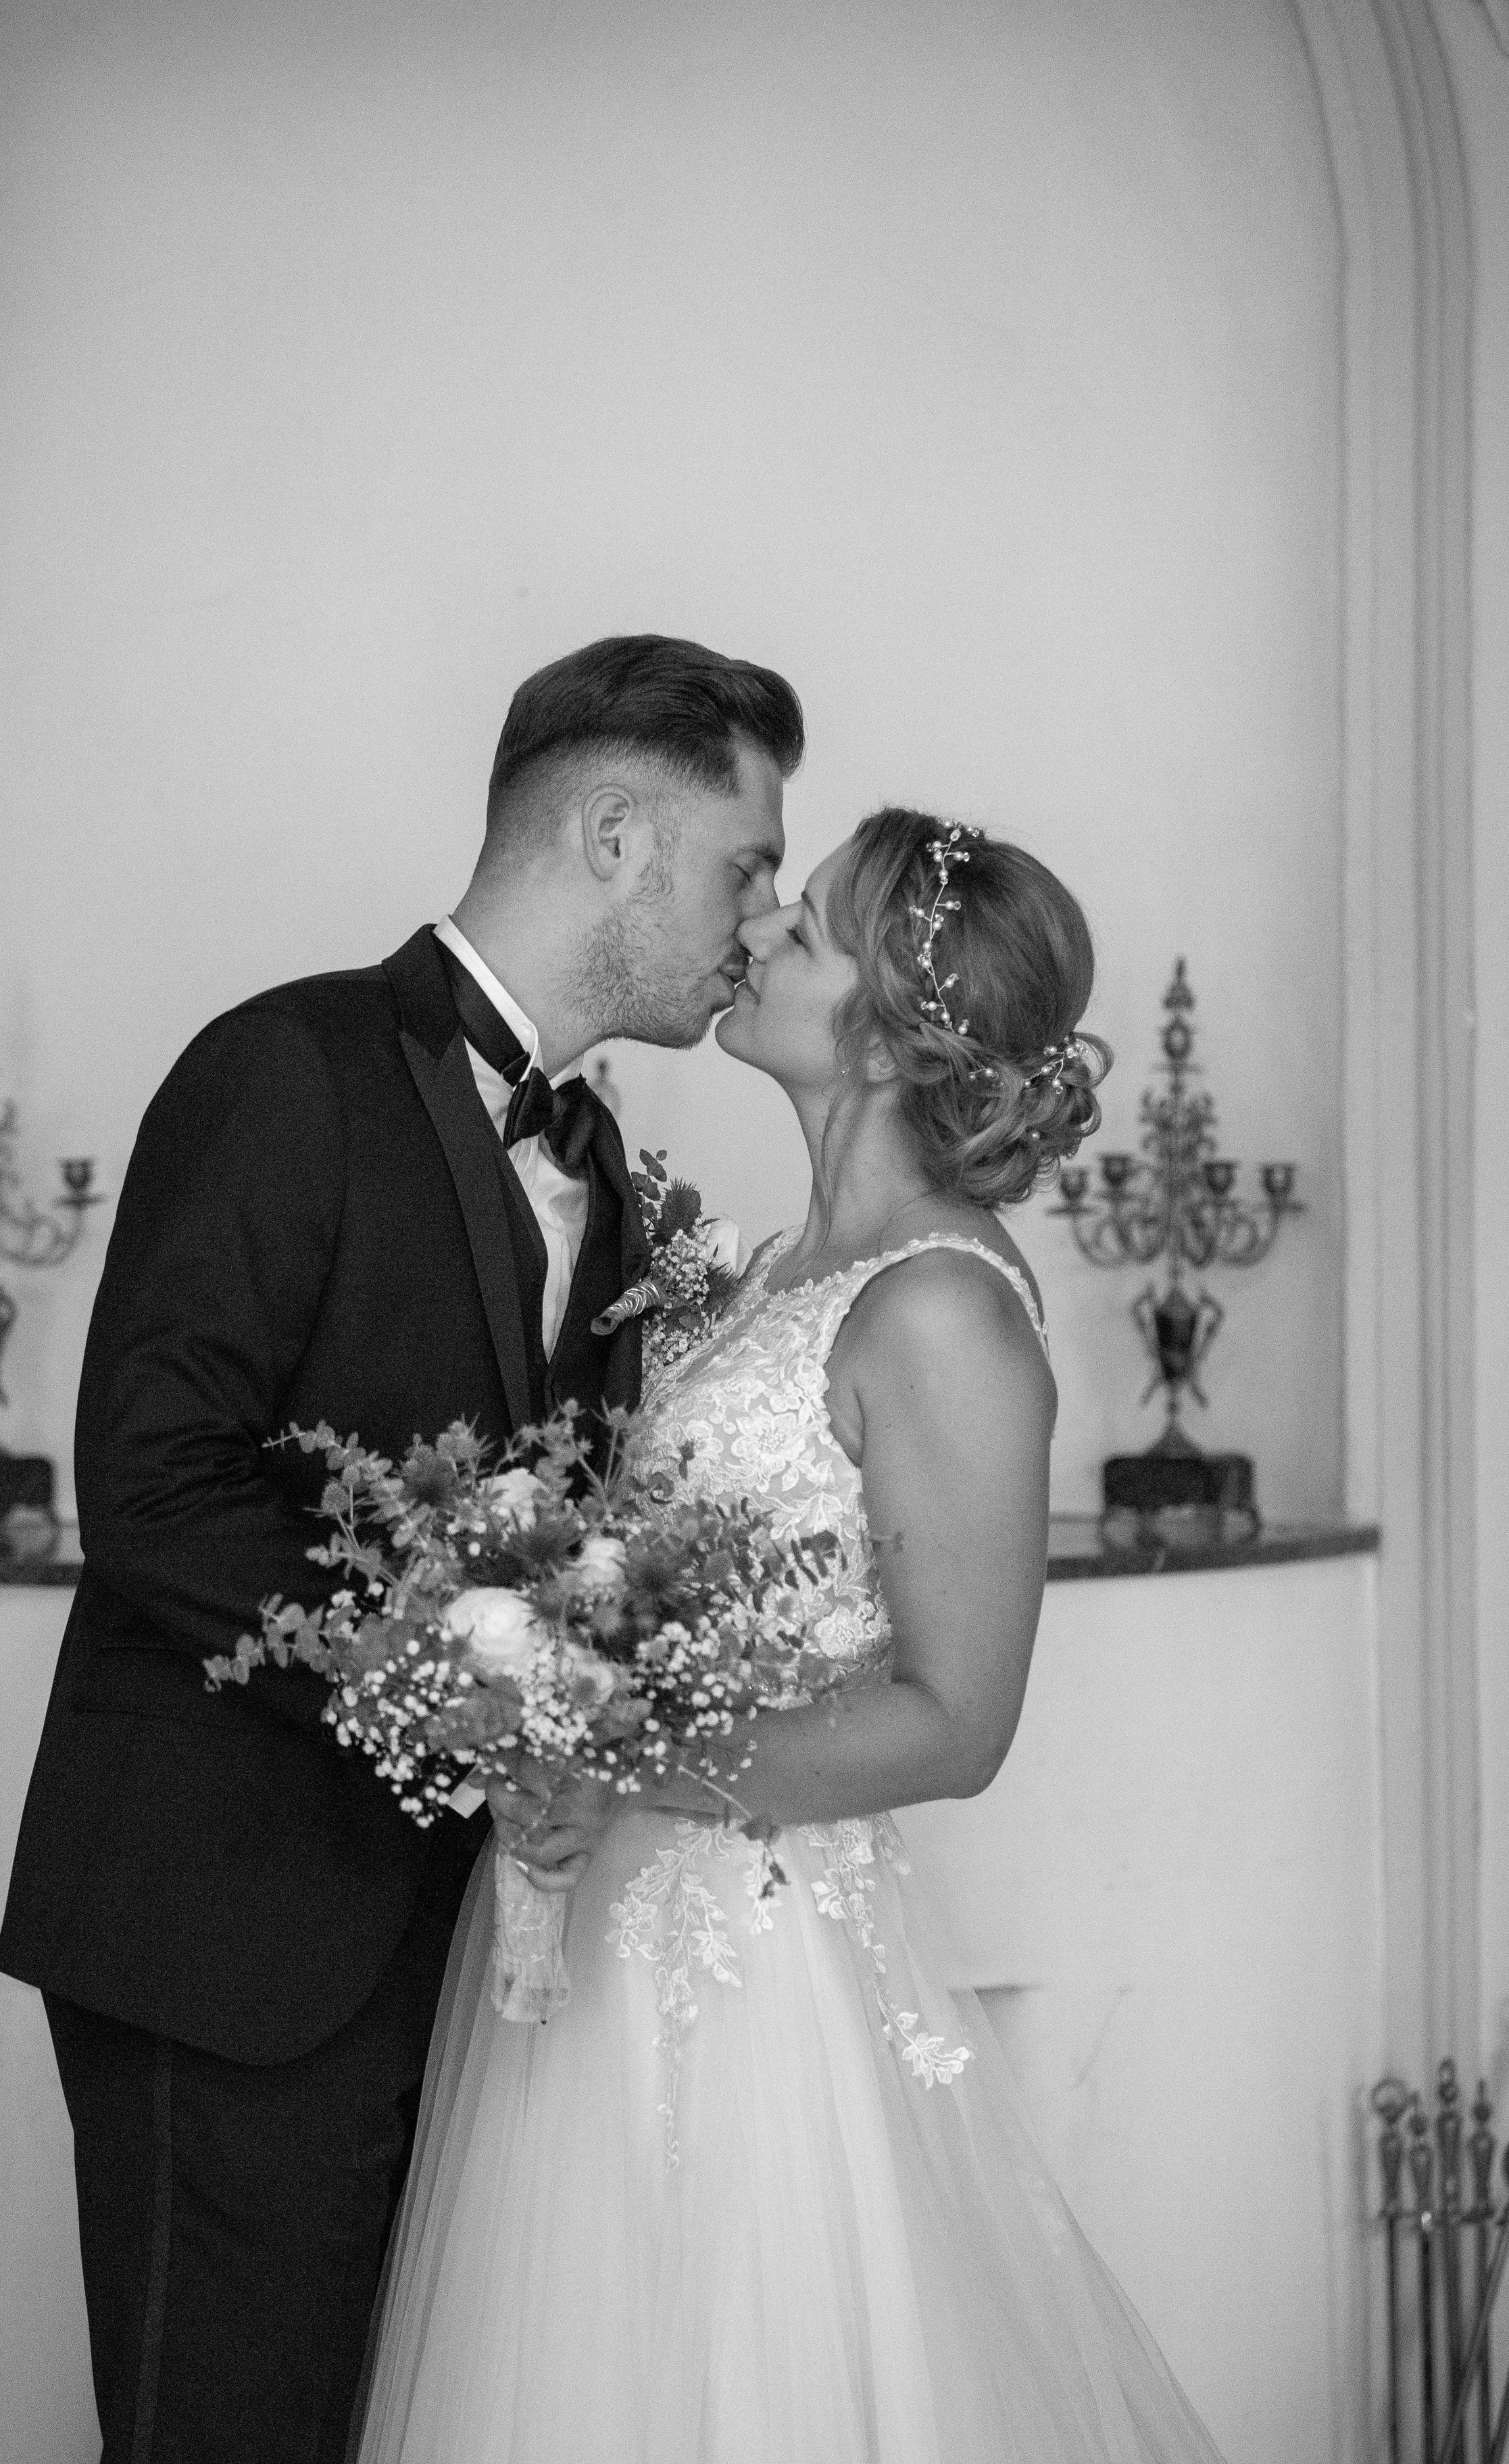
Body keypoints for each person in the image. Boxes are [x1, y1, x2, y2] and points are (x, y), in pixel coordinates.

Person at [0, 633, 801, 2464]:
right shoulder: (283, 1066)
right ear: (613, 830)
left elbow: (550, 1518)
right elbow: (149, 1479)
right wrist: (458, 1674)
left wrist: (591, 1657)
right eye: (743, 863)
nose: (753, 918)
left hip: (443, 1953)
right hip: (227, 1938)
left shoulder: (600, 1158)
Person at [353, 808, 1226, 2463]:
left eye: (804, 923)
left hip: (753, 1966)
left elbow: (954, 1722)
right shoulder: (769, 1274)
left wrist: (621, 1760)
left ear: (896, 1031)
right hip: (602, 1932)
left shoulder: (943, 1310)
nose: (753, 932)